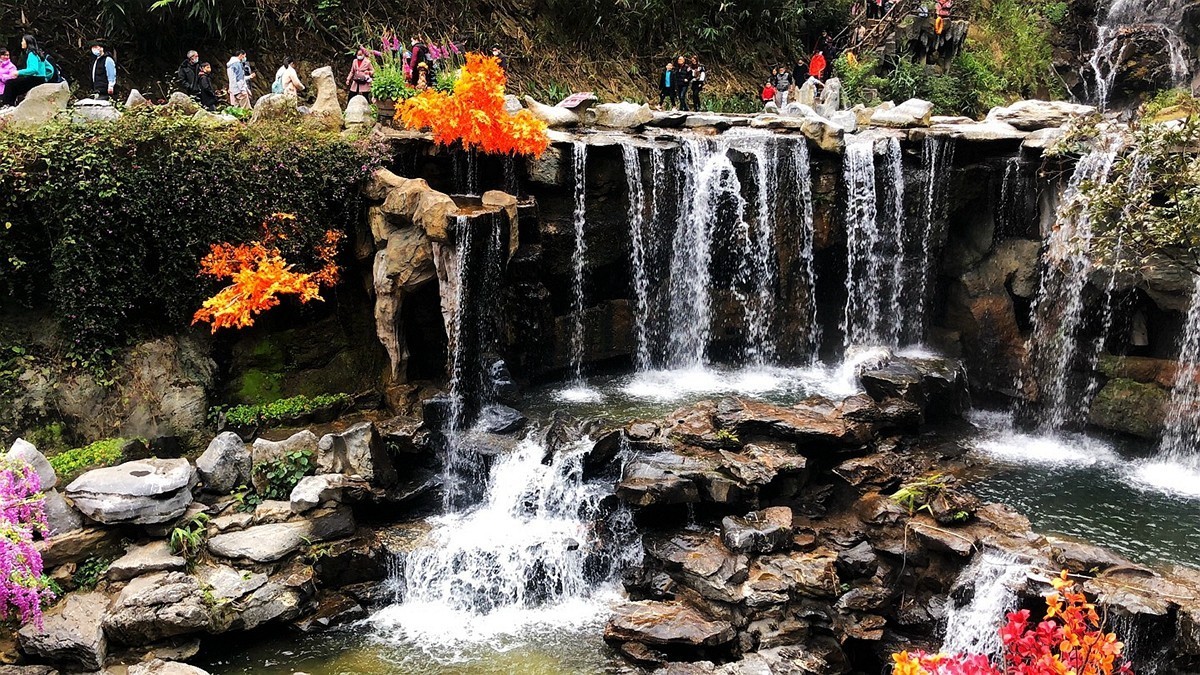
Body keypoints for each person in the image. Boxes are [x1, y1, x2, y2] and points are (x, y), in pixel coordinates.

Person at [1, 36, 54, 106]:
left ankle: (6, 105)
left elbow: (33, 69)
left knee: (10, 83)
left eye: (23, 41)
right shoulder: (38, 53)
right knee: (15, 87)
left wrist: (18, 72)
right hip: (40, 78)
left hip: (36, 79)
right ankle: (10, 105)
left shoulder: (32, 54)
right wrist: (46, 77)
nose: (21, 43)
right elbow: (50, 68)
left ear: (27, 43)